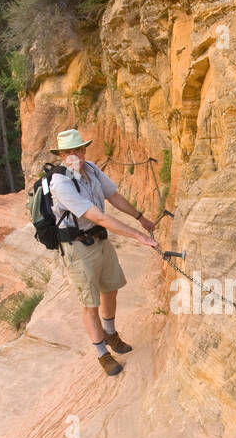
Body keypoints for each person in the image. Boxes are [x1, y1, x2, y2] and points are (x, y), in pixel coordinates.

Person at [47, 128, 161, 376]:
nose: (75, 155)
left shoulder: (92, 170)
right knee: (90, 304)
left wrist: (140, 218)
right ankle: (102, 354)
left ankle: (111, 334)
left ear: (84, 149)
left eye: (79, 149)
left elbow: (113, 196)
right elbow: (98, 216)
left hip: (99, 239)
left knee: (111, 288)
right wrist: (137, 236)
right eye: (69, 152)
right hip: (77, 248)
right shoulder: (61, 182)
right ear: (62, 155)